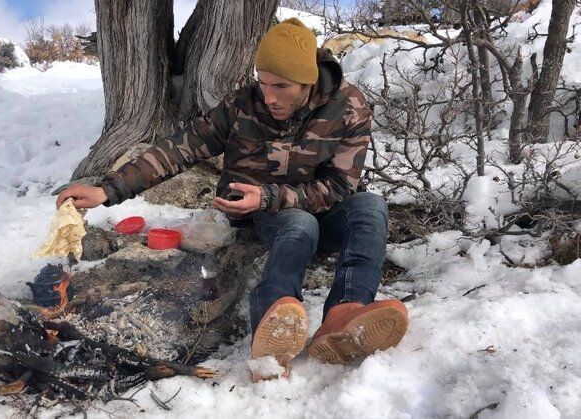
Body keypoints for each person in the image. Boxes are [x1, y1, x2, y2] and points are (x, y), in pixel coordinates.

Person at [55, 18, 408, 382]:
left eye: (281, 86)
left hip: (316, 207)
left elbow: (339, 186)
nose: (269, 97)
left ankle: (344, 313)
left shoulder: (348, 106)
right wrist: (108, 190)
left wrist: (272, 194)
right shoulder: (242, 105)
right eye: (263, 82)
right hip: (262, 215)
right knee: (297, 223)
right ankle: (273, 330)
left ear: (308, 80)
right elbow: (180, 149)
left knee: (371, 207)